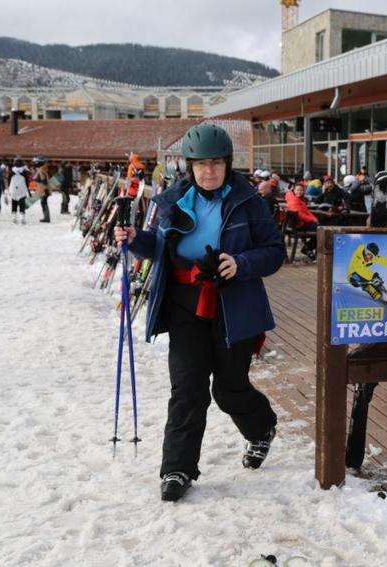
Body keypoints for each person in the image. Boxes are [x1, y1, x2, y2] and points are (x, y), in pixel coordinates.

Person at [112, 123, 284, 502]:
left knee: (229, 388)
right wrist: (133, 239)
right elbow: (158, 246)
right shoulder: (172, 201)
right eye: (202, 164)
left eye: (217, 163)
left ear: (228, 164)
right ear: (190, 166)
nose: (209, 171)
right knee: (187, 389)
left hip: (233, 304)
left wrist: (241, 263)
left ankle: (261, 428)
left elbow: (274, 251)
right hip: (184, 304)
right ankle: (177, 469)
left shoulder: (248, 201)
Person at [284, 181, 319, 259]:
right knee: (320, 230)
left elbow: (306, 211)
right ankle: (307, 248)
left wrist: (314, 218)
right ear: (294, 191)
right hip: (298, 225)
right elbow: (299, 214)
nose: (299, 192)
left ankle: (308, 248)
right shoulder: (294, 200)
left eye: (301, 190)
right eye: (298, 190)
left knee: (320, 227)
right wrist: (312, 219)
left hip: (299, 223)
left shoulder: (300, 199)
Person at [8, 158, 30, 225]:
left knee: (14, 203)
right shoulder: (24, 171)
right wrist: (27, 188)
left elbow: (9, 180)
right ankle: (22, 218)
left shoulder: (11, 171)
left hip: (13, 189)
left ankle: (14, 217)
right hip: (21, 190)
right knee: (22, 204)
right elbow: (27, 182)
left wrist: (9, 188)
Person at [33, 157, 51, 222]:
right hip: (44, 189)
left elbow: (44, 181)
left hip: (43, 189)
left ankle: (46, 217)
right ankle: (46, 217)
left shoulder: (41, 170)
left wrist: (45, 189)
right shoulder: (43, 169)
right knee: (44, 202)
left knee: (44, 203)